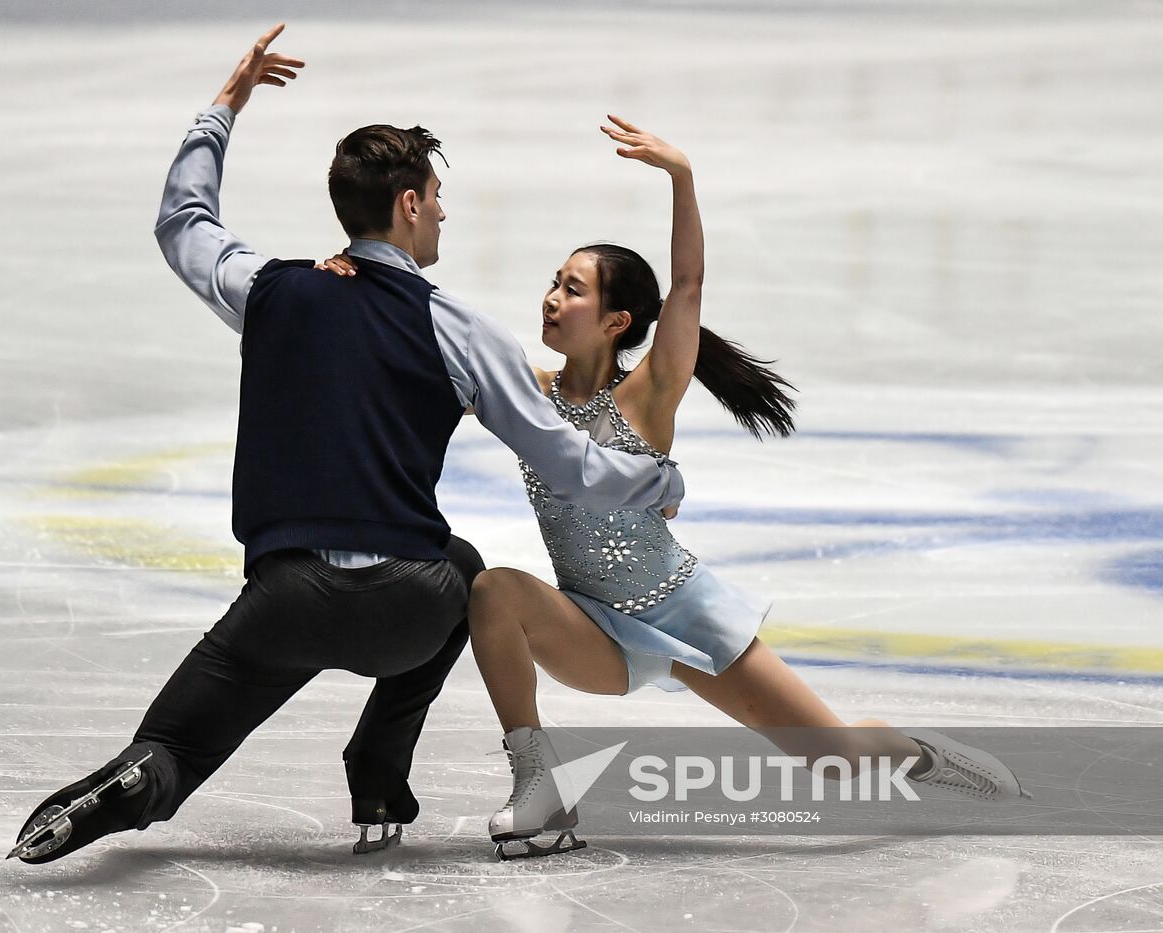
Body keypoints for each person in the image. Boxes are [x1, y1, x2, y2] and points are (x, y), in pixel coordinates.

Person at [9, 25, 685, 864]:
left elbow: (182, 221)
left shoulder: (272, 290)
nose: (442, 210)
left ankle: (141, 778)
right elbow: (569, 463)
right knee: (468, 571)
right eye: (434, 196)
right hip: (407, 608)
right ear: (407, 204)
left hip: (283, 601)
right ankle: (377, 770)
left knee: (178, 747)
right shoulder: (463, 332)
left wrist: (227, 102)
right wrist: (653, 480)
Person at [324, 116, 1030, 861]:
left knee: (835, 760)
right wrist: (349, 273)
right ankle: (541, 782)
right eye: (552, 283)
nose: (552, 299)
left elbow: (687, 284)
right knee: (493, 587)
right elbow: (410, 349)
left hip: (683, 611)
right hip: (593, 626)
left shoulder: (650, 392)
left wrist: (681, 176)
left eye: (572, 288)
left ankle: (933, 757)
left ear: (617, 320)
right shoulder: (523, 393)